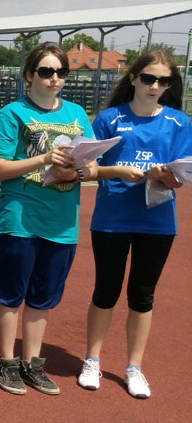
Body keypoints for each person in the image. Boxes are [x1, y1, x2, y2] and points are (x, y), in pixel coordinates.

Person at [78, 50, 191, 399]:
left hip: (157, 222)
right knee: (106, 291)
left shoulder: (179, 122)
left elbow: (180, 179)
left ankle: (134, 368)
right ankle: (92, 361)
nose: (154, 86)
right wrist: (117, 171)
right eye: (148, 78)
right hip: (112, 218)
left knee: (143, 295)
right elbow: (86, 169)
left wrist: (163, 175)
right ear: (133, 78)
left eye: (163, 81)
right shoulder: (109, 118)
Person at [0, 42, 98, 396]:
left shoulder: (78, 114)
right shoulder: (12, 114)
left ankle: (31, 362)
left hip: (62, 223)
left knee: (43, 298)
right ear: (29, 75)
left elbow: (92, 168)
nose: (55, 78)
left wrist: (77, 172)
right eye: (46, 71)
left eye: (61, 72)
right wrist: (45, 159)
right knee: (11, 294)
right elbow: (1, 169)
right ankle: (7, 361)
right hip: (20, 218)